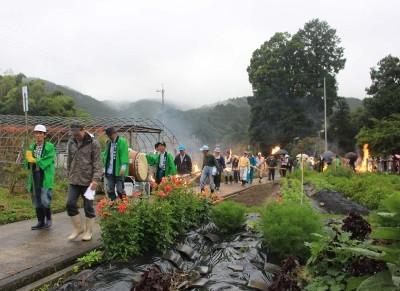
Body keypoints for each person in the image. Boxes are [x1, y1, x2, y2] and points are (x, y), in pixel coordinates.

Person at [66, 121, 102, 241]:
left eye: (77, 133)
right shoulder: (71, 141)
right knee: (70, 203)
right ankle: (78, 228)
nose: (75, 136)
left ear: (83, 130)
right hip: (74, 179)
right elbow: (69, 160)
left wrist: (95, 180)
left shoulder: (93, 143)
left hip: (89, 182)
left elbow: (97, 164)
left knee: (88, 207)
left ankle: (88, 231)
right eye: (73, 134)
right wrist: (68, 174)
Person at [25, 124, 55, 230]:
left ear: (44, 135)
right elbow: (28, 163)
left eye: (40, 133)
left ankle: (48, 219)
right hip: (34, 175)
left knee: (44, 198)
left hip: (44, 175)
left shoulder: (49, 146)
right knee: (36, 198)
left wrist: (36, 160)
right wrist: (28, 158)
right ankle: (40, 221)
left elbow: (49, 159)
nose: (38, 135)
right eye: (36, 133)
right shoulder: (32, 146)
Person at [102, 127, 129, 201]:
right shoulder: (108, 143)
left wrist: (123, 167)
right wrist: (104, 168)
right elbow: (105, 155)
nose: (109, 137)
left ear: (114, 133)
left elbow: (124, 154)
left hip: (119, 171)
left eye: (110, 135)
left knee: (119, 190)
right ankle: (113, 204)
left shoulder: (122, 141)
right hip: (109, 171)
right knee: (110, 190)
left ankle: (125, 204)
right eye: (108, 135)